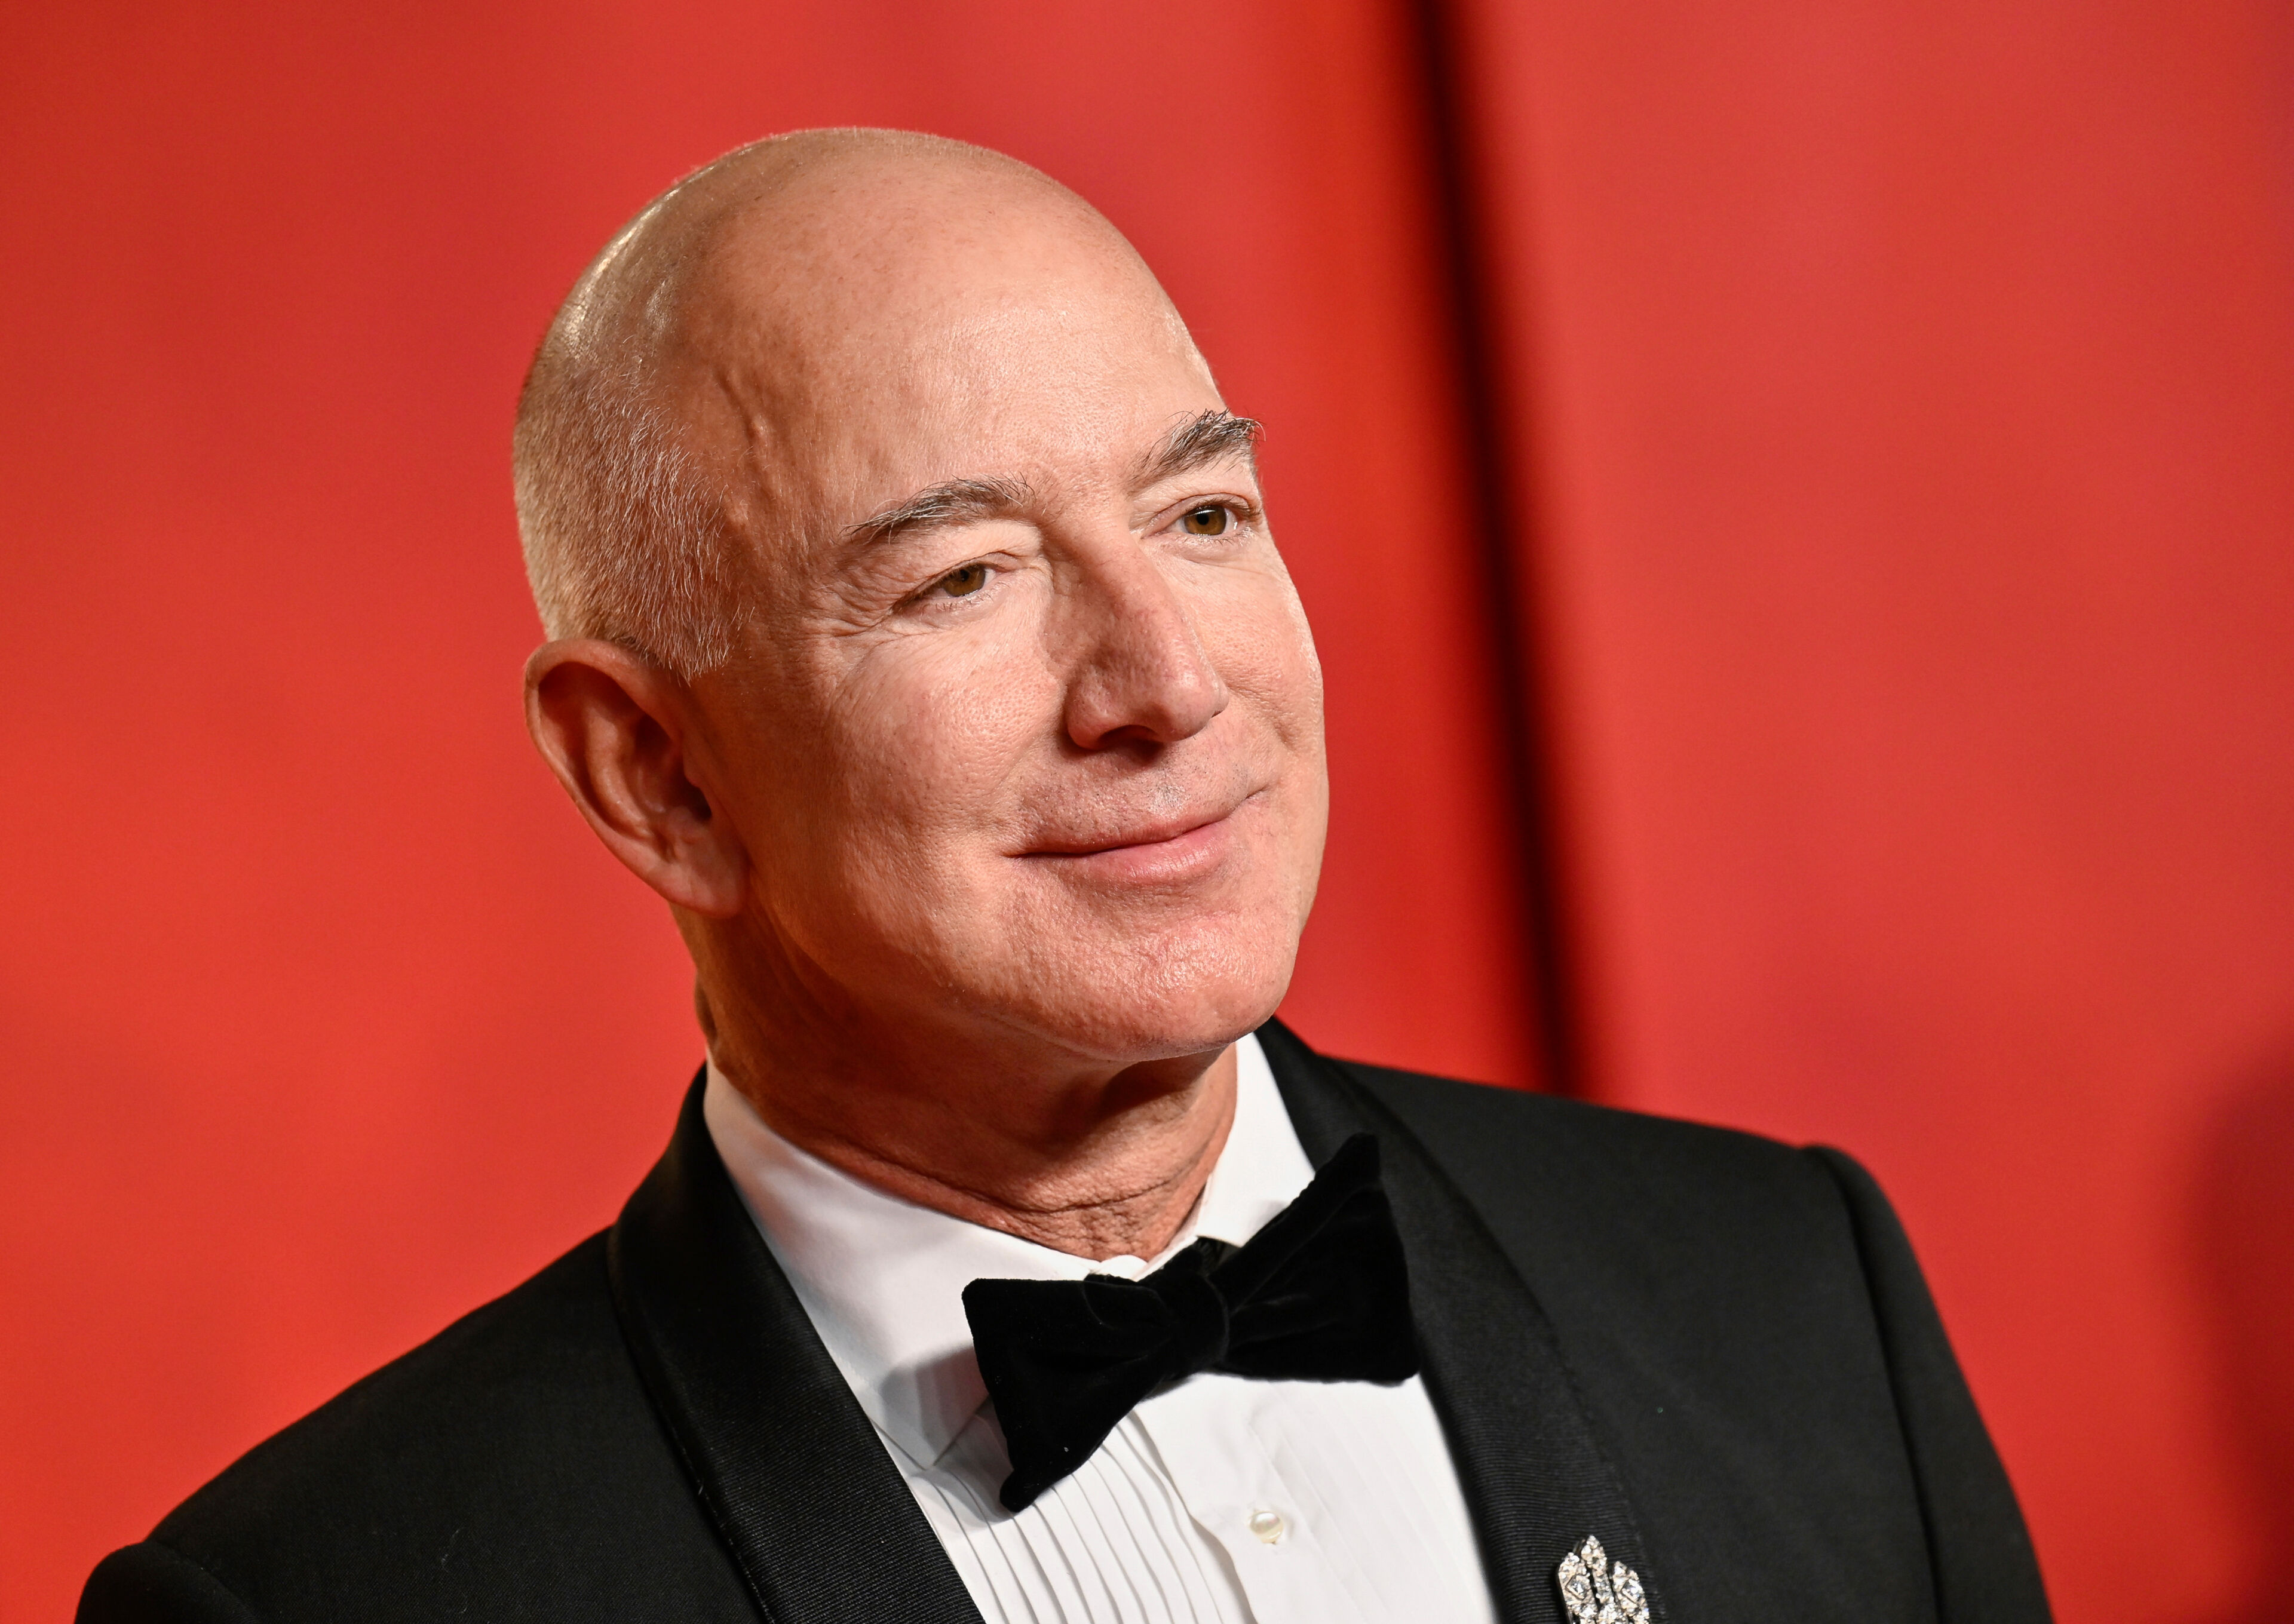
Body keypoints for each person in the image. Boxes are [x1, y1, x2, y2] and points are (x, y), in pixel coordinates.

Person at [78, 130, 2050, 1624]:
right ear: (657, 774)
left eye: (1202, 514)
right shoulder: (325, 1597)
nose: (1168, 684)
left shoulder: (1793, 1302)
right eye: (966, 578)